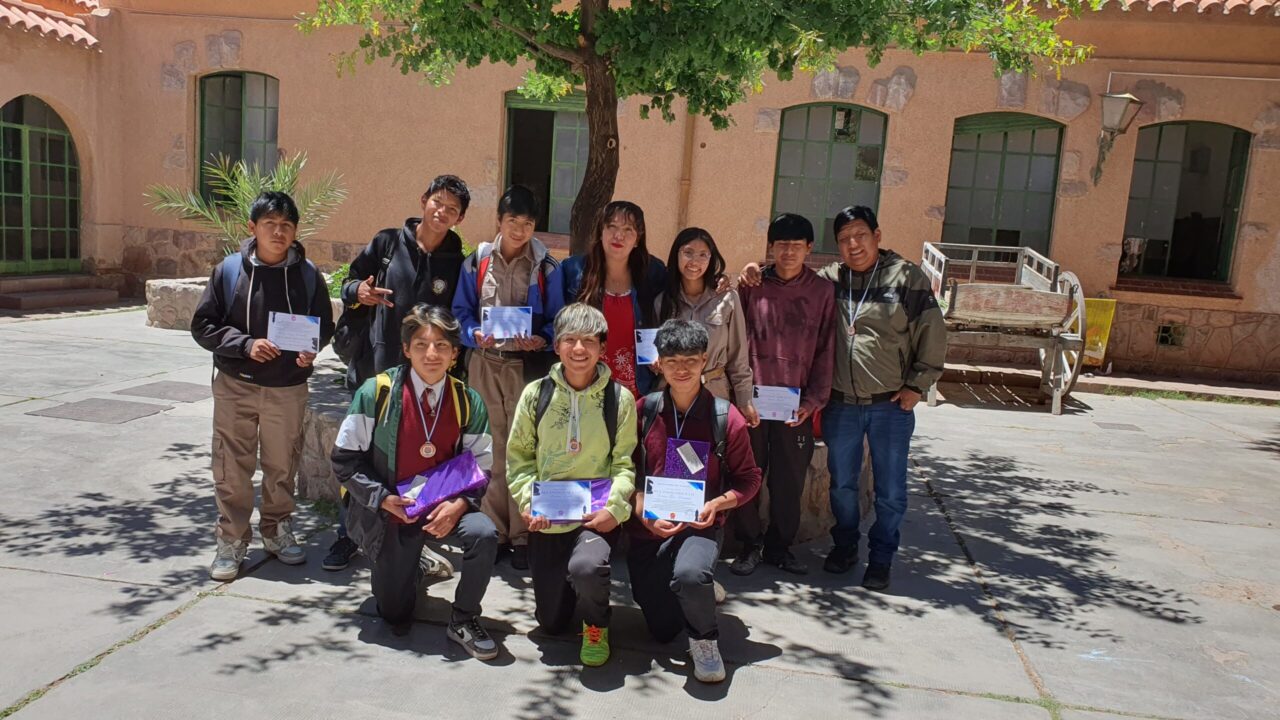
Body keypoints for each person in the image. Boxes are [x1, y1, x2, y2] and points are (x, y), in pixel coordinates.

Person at [330, 305, 501, 658]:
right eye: (421, 344)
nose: (431, 354)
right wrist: (382, 499)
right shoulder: (375, 393)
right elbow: (344, 461)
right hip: (393, 510)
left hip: (444, 507)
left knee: (484, 533)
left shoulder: (468, 401)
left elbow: (481, 467)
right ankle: (418, 563)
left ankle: (464, 619)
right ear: (406, 349)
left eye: (442, 345)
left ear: (455, 354)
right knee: (393, 614)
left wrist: (458, 506)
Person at [324, 174, 471, 573]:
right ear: (424, 200)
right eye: (438, 202)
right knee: (359, 456)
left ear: (459, 219)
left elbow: (459, 318)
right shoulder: (387, 244)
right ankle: (347, 534)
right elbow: (348, 283)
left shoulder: (457, 262)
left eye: (452, 210)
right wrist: (360, 293)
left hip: (426, 383)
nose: (442, 212)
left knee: (412, 461)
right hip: (376, 372)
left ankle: (411, 541)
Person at [191, 190, 335, 581]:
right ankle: (231, 540)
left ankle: (277, 530)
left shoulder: (307, 276)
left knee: (281, 465)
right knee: (231, 466)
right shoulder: (229, 271)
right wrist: (246, 345)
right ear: (252, 228)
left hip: (287, 388)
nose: (278, 232)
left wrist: (311, 351)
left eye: (286, 225)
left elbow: (323, 326)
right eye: (269, 224)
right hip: (236, 385)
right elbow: (203, 326)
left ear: (295, 231)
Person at [816, 206, 946, 590]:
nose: (853, 245)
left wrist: (917, 385)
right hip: (841, 405)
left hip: (890, 405)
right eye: (844, 239)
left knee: (890, 489)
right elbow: (792, 283)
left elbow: (933, 334)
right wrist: (758, 272)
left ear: (877, 235)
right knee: (841, 485)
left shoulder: (907, 278)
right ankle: (845, 547)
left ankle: (882, 557)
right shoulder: (830, 279)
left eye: (860, 235)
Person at [505, 303, 637, 667]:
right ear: (557, 345)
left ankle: (597, 623)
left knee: (587, 569)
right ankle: (567, 597)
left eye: (589, 341)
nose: (579, 349)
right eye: (570, 340)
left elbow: (625, 464)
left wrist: (615, 508)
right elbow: (519, 456)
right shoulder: (536, 394)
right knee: (551, 622)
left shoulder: (619, 399)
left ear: (602, 348)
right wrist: (527, 501)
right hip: (547, 519)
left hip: (594, 518)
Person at [630, 320, 762, 683]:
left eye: (691, 360)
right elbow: (621, 469)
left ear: (705, 360)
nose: (682, 369)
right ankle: (699, 589)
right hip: (650, 528)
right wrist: (640, 506)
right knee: (661, 629)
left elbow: (750, 478)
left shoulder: (726, 416)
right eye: (672, 361)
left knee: (689, 574)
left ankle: (705, 639)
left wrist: (717, 504)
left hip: (700, 526)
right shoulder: (644, 410)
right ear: (659, 363)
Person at [453, 185, 566, 571]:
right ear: (499, 221)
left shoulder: (548, 268)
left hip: (525, 367)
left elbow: (557, 319)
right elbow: (461, 312)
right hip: (484, 363)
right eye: (513, 221)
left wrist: (543, 338)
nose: (520, 229)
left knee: (524, 448)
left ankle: (524, 533)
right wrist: (472, 335)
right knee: (489, 446)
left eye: (528, 223)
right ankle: (495, 531)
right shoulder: (477, 261)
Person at [730, 213, 835, 577]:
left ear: (809, 249)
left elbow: (826, 350)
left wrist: (813, 402)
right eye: (781, 244)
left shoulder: (822, 293)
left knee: (790, 479)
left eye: (796, 245)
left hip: (796, 407)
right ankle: (748, 544)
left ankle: (780, 546)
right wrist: (739, 397)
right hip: (751, 402)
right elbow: (735, 341)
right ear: (770, 248)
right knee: (748, 473)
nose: (788, 251)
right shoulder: (753, 285)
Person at [560, 201, 666, 399]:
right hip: (585, 383)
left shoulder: (654, 272)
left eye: (628, 229)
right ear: (601, 231)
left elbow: (680, 298)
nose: (619, 236)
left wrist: (718, 280)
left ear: (637, 239)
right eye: (612, 227)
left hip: (638, 386)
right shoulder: (573, 270)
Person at [656, 227, 759, 426]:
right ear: (676, 254)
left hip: (714, 393)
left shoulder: (727, 299)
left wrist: (745, 400)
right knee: (672, 453)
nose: (694, 261)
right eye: (688, 253)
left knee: (711, 453)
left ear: (711, 259)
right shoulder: (662, 302)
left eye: (703, 255)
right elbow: (652, 349)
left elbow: (738, 356)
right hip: (671, 394)